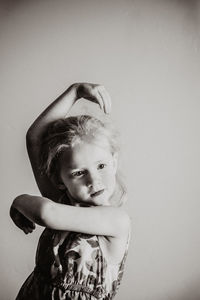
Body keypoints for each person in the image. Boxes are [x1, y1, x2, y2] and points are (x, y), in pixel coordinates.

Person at [10, 83, 131, 300]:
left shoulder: (115, 221)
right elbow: (34, 139)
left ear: (114, 162)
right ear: (58, 179)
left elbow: (47, 214)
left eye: (101, 166)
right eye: (78, 173)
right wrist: (75, 91)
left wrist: (19, 201)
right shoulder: (62, 200)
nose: (93, 180)